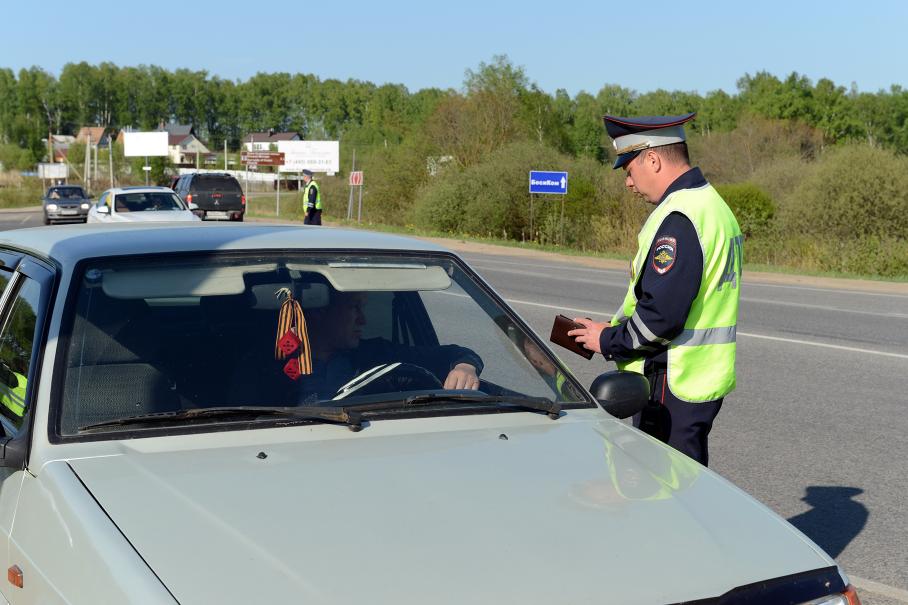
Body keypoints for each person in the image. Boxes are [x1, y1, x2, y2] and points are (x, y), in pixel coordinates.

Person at [568, 113, 743, 466]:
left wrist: (607, 340)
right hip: (699, 378)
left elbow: (660, 317)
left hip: (671, 381)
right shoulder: (712, 205)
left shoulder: (679, 218)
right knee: (686, 484)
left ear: (653, 158)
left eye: (629, 170)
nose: (628, 183)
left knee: (667, 494)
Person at [296, 289, 482, 402]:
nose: (363, 320)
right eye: (354, 307)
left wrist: (465, 367)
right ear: (319, 312)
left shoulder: (375, 354)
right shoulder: (274, 364)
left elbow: (454, 354)